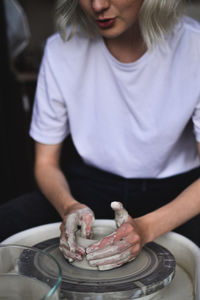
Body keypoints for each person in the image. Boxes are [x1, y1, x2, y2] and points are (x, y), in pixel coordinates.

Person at [1, 0, 200, 270]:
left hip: (177, 194)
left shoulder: (194, 47)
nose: (97, 5)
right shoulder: (61, 49)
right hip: (87, 189)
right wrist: (69, 207)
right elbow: (45, 163)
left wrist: (145, 228)